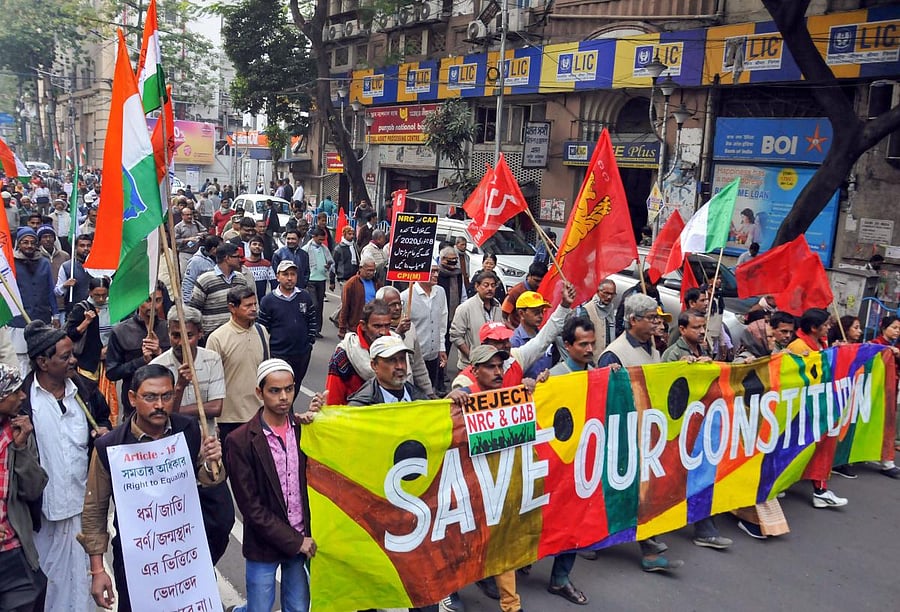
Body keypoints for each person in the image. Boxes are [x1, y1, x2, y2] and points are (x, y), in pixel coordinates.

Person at [77, 364, 225, 611]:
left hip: (184, 554)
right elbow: (95, 509)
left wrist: (213, 462)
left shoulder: (188, 430)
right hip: (137, 563)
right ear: (132, 398)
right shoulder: (110, 447)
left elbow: (209, 479)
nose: (159, 405)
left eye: (167, 396)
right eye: (150, 397)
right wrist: (98, 570)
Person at [21, 319, 112, 612]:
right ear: (42, 363)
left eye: (72, 354)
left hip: (84, 507)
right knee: (47, 584)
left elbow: (105, 420)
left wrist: (104, 432)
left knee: (83, 582)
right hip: (42, 515)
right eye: (65, 356)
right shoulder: (23, 402)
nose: (73, 360)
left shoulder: (86, 391)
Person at [597, 293, 682, 572]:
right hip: (623, 434)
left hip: (647, 432)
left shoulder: (652, 347)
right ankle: (645, 547)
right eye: (651, 318)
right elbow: (604, 398)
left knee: (641, 490)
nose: (657, 323)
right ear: (633, 320)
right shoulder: (614, 354)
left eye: (657, 317)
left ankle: (646, 545)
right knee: (626, 491)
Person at [441, 344, 529, 612]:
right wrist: (448, 401)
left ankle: (511, 604)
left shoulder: (510, 396)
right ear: (475, 371)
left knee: (502, 542)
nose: (498, 372)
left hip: (497, 487)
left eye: (500, 366)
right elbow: (438, 426)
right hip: (466, 486)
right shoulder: (464, 397)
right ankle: (448, 590)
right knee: (459, 542)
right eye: (491, 367)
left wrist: (533, 387)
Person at [225, 358, 317, 612]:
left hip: (301, 538)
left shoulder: (303, 430)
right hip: (264, 545)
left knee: (298, 607)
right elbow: (251, 508)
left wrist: (322, 419)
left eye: (289, 389)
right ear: (260, 392)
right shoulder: (240, 441)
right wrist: (294, 541)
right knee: (260, 608)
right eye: (275, 391)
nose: (283, 397)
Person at [661, 311, 734, 550]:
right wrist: (684, 369)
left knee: (700, 476)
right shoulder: (674, 354)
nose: (702, 331)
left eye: (703, 327)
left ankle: (704, 528)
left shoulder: (704, 349)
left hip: (701, 424)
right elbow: (666, 390)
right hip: (681, 428)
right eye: (696, 327)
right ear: (682, 329)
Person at [785, 308, 850, 507]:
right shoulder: (797, 346)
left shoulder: (821, 343)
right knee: (795, 447)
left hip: (820, 403)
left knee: (822, 446)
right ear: (814, 328)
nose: (829, 328)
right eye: (826, 325)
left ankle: (820, 490)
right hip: (802, 407)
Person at [0, 364, 49, 612]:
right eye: (15, 391)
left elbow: (33, 490)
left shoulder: (19, 432)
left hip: (13, 553)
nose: (22, 396)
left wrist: (20, 449)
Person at [206, 286, 270, 442]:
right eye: (247, 305)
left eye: (255, 304)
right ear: (232, 308)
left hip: (258, 414)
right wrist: (213, 423)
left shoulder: (262, 332)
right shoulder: (217, 338)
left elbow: (266, 373)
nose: (253, 309)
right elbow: (209, 383)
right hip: (229, 418)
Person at [151, 305, 225, 433]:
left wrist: (175, 410)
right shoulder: (157, 366)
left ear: (200, 333)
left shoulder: (212, 359)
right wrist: (179, 387)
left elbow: (216, 408)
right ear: (168, 333)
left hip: (206, 437)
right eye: (176, 336)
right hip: (173, 438)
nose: (181, 343)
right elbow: (160, 413)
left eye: (188, 336)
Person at [105, 285, 169, 419]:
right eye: (148, 300)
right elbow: (112, 372)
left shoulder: (168, 329)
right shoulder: (121, 332)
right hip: (133, 410)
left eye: (158, 300)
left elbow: (179, 364)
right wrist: (141, 361)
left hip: (165, 405)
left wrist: (160, 353)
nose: (153, 306)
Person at [258, 261, 317, 386]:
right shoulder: (268, 301)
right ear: (277, 277)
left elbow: (312, 319)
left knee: (296, 384)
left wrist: (310, 341)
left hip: (301, 353)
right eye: (285, 274)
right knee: (282, 386)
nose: (289, 278)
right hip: (278, 354)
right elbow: (263, 328)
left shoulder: (304, 296)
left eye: (293, 274)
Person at [326, 299, 394, 405]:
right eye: (377, 326)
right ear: (363, 325)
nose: (383, 332)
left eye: (387, 326)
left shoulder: (397, 347)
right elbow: (333, 400)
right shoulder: (344, 356)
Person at [11, 227, 59, 374]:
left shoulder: (44, 263)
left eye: (32, 242)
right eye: (25, 242)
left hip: (41, 318)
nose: (29, 246)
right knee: (21, 360)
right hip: (18, 320)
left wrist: (56, 314)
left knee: (41, 357)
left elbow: (50, 290)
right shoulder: (11, 263)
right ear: (19, 244)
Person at [377, 286, 435, 397]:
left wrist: (429, 392)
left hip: (408, 393)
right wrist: (398, 334)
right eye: (392, 305)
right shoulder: (378, 331)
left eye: (399, 303)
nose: (398, 308)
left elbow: (418, 365)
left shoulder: (410, 327)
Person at [401, 263, 448, 394]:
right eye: (432, 271)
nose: (436, 275)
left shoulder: (440, 292)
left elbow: (442, 322)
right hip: (414, 358)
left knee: (430, 391)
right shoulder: (405, 297)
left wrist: (441, 347)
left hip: (433, 356)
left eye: (437, 271)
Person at [188, 242, 255, 335]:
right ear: (227, 258)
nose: (240, 260)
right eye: (236, 257)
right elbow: (194, 309)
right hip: (211, 335)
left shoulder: (240, 279)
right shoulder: (205, 280)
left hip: (238, 333)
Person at [450, 270, 503, 370]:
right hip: (470, 366)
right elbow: (456, 336)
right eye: (486, 285)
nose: (490, 288)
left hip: (493, 364)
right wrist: (472, 357)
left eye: (493, 285)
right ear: (477, 286)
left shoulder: (498, 306)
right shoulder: (465, 308)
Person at [868, 315, 900, 478]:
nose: (897, 331)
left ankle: (887, 461)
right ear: (883, 328)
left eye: (899, 329)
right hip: (874, 392)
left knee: (887, 425)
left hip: (889, 391)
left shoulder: (895, 348)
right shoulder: (875, 345)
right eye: (894, 327)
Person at [65, 276, 113, 380]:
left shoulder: (113, 307)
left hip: (109, 361)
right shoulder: (81, 308)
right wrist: (86, 322)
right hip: (87, 362)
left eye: (104, 295)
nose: (101, 299)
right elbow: (70, 335)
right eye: (97, 295)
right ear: (90, 292)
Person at [510, 291, 556, 379]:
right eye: (536, 312)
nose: (541, 316)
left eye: (542, 311)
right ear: (521, 313)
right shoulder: (514, 342)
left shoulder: (545, 336)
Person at [337, 257, 382, 339]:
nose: (371, 273)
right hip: (355, 326)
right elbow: (345, 307)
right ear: (361, 268)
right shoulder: (351, 284)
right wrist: (342, 328)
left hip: (372, 324)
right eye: (368, 270)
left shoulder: (376, 283)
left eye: (373, 271)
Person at [303, 226, 335, 337]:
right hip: (311, 280)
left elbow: (331, 262)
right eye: (319, 239)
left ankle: (317, 330)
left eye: (323, 240)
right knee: (314, 305)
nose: (321, 242)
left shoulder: (324, 249)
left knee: (320, 305)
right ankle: (309, 327)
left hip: (321, 279)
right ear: (314, 237)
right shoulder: (306, 249)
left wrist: (328, 266)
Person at [575, 279, 617, 356]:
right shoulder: (587, 310)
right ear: (598, 292)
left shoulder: (610, 309)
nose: (609, 297)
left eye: (612, 294)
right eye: (606, 293)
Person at [55, 234, 93, 318]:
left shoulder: (99, 268)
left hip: (94, 312)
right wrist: (65, 285)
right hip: (74, 313)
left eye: (89, 246)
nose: (86, 248)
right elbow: (57, 292)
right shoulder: (67, 267)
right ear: (75, 247)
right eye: (82, 246)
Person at [501, 262, 547, 329]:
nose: (539, 284)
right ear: (529, 276)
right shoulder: (515, 292)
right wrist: (515, 331)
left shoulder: (544, 290)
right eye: (536, 281)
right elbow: (503, 317)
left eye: (542, 281)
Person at [182, 234, 222, 302]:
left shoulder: (220, 258)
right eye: (220, 247)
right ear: (213, 249)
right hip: (201, 299)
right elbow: (188, 281)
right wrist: (187, 301)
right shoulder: (195, 261)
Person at [174, 206, 206, 274]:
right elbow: (175, 241)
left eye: (191, 214)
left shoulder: (196, 224)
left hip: (197, 253)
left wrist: (202, 234)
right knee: (186, 273)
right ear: (182, 215)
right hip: (185, 253)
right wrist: (187, 239)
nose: (189, 216)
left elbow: (205, 232)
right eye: (187, 215)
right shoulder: (178, 227)